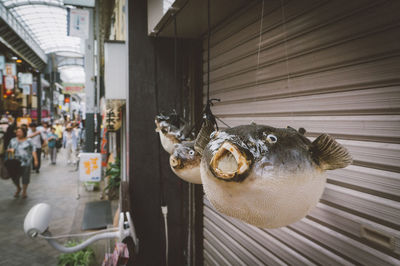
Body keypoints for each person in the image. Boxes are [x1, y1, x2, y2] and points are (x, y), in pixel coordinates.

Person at [7, 127, 38, 198]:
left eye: (20, 132)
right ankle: (18, 187)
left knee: (25, 177)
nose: (18, 133)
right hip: (15, 162)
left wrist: (36, 160)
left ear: (24, 132)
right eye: (17, 132)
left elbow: (33, 150)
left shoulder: (29, 140)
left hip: (26, 162)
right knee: (14, 177)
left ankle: (24, 191)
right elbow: (8, 149)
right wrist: (9, 150)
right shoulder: (13, 140)